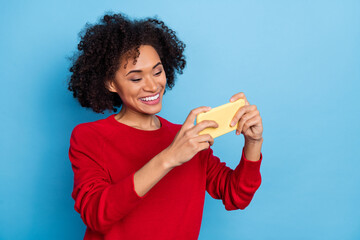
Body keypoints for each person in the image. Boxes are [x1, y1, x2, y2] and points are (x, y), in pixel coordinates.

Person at [67, 12, 264, 240]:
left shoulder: (188, 137)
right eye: (135, 78)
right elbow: (96, 215)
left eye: (157, 72)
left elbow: (236, 195)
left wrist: (253, 142)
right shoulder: (89, 136)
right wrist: (169, 157)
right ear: (111, 83)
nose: (152, 86)